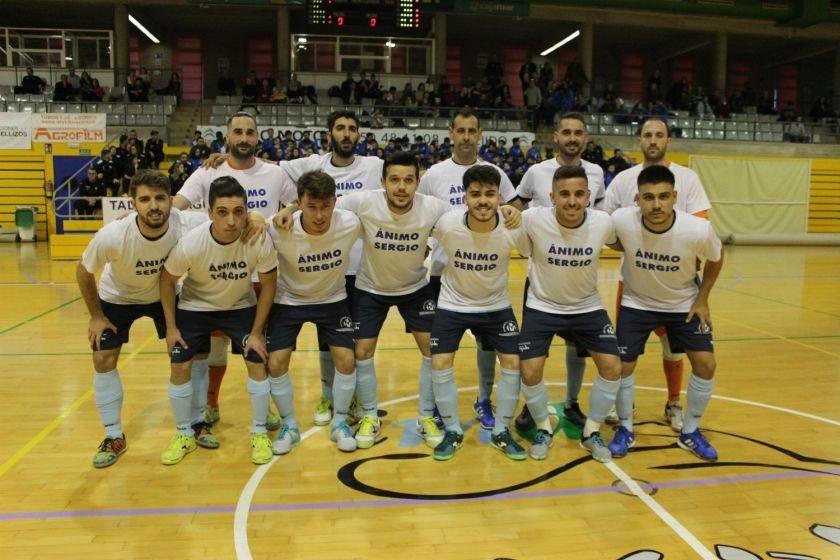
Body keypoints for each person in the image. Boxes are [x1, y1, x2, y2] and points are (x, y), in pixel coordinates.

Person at [273, 152, 521, 450]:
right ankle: (369, 415)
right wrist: (288, 207)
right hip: (370, 288)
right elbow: (317, 201)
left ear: (418, 182)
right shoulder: (363, 202)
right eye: (394, 180)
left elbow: (474, 212)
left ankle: (427, 416)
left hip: (415, 288)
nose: (401, 187)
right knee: (362, 352)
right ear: (383, 182)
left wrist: (507, 209)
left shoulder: (434, 208)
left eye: (408, 180)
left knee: (432, 349)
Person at [77, 170, 210, 468]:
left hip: (165, 295)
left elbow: (230, 219)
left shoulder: (187, 222)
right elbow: (84, 270)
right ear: (133, 203)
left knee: (191, 354)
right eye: (145, 199)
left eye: (161, 198)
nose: (154, 206)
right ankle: (113, 436)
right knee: (103, 359)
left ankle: (198, 421)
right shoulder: (114, 235)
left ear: (170, 201)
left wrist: (254, 220)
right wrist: (96, 316)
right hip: (118, 298)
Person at [175, 112, 297, 428]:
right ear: (227, 137)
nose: (244, 138)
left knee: (259, 348)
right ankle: (210, 403)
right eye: (238, 132)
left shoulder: (274, 173)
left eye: (250, 133)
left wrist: (286, 212)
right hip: (217, 276)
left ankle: (265, 405)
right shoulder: (207, 172)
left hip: (262, 275)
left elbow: (298, 201)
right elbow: (179, 204)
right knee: (214, 350)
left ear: (258, 138)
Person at [602, 118, 711, 431]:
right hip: (635, 281)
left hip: (678, 282)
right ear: (639, 140)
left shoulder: (687, 179)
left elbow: (700, 223)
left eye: (659, 135)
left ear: (668, 140)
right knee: (624, 352)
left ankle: (674, 402)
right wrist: (635, 247)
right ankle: (625, 406)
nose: (653, 141)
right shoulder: (623, 180)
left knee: (674, 350)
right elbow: (608, 226)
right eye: (647, 135)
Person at [159, 176, 278, 465]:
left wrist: (257, 332)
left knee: (256, 360)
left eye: (239, 212)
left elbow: (270, 286)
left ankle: (259, 432)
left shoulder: (257, 238)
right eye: (222, 212)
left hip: (240, 306)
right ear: (210, 213)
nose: (232, 220)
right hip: (195, 307)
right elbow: (166, 281)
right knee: (180, 365)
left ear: (247, 211)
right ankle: (184, 432)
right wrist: (171, 328)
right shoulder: (191, 243)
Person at [608, 165, 723, 462]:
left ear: (674, 197)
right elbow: (608, 238)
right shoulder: (621, 220)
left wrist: (703, 299)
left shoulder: (697, 229)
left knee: (706, 364)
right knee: (622, 365)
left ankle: (691, 431)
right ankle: (626, 428)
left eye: (663, 197)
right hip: (637, 303)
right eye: (648, 197)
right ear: (637, 199)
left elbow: (716, 258)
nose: (656, 204)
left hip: (682, 304)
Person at [418, 108, 518, 430]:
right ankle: (433, 405)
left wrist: (507, 211)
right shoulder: (434, 174)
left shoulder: (494, 172)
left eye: (471, 131)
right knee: (437, 349)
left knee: (486, 345)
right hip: (443, 276)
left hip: (486, 276)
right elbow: (419, 215)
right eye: (460, 130)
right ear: (450, 133)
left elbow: (514, 209)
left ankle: (483, 399)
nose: (465, 137)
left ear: (480, 135)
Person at [518, 165, 622, 462]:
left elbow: (628, 239)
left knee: (612, 367)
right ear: (552, 197)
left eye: (579, 194)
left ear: (589, 196)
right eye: (564, 194)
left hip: (587, 307)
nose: (572, 201)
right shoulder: (532, 219)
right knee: (529, 370)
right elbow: (505, 219)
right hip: (542, 306)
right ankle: (542, 428)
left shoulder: (604, 222)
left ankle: (591, 432)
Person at [513, 112, 606, 432]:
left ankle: (572, 402)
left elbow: (600, 215)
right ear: (555, 136)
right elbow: (518, 206)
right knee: (534, 352)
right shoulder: (536, 171)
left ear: (586, 137)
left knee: (576, 348)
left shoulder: (596, 172)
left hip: (580, 276)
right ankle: (530, 405)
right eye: (566, 132)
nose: (572, 138)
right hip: (542, 277)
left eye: (578, 133)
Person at [428, 165, 528, 461]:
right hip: (453, 303)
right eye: (475, 194)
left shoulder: (513, 228)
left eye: (489, 194)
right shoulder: (446, 224)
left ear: (500, 196)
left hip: (496, 305)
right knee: (440, 362)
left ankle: (501, 431)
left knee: (513, 362)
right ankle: (453, 430)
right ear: (465, 198)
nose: (482, 201)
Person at [265, 171, 362, 454]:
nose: (319, 215)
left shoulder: (349, 223)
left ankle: (340, 422)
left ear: (335, 201)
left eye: (325, 207)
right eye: (311, 207)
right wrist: (283, 212)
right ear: (299, 203)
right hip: (289, 300)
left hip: (333, 299)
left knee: (346, 361)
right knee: (276, 363)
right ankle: (289, 426)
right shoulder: (279, 227)